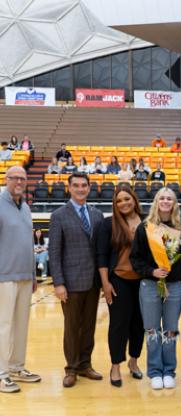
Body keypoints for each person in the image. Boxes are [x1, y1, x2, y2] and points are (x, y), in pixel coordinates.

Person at [48, 172, 104, 388]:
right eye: (76, 185)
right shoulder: (59, 215)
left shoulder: (97, 214)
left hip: (92, 282)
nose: (81, 189)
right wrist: (58, 283)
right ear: (69, 188)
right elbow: (54, 252)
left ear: (89, 188)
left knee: (89, 326)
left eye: (84, 185)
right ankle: (71, 368)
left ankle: (85, 364)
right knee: (72, 327)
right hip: (70, 283)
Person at [131, 188, 181, 389]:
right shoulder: (145, 227)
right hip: (150, 284)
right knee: (152, 329)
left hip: (175, 285)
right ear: (156, 201)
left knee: (170, 329)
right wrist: (152, 272)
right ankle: (154, 371)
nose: (165, 201)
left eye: (169, 198)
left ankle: (169, 371)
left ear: (174, 202)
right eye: (162, 197)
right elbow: (135, 258)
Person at [96, 185, 144, 388]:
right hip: (119, 280)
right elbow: (101, 256)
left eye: (127, 199)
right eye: (119, 201)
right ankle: (115, 365)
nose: (123, 203)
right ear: (114, 204)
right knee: (118, 324)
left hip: (143, 281)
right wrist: (105, 283)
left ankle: (133, 361)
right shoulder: (108, 225)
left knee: (139, 324)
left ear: (134, 199)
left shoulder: (148, 222)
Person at [0, 166, 41, 393]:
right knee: (3, 326)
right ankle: (1, 372)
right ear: (6, 180)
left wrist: (34, 274)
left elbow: (28, 244)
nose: (19, 181)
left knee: (21, 325)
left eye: (23, 178)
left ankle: (16, 367)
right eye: (15, 177)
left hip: (25, 275)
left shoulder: (25, 207)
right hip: (4, 276)